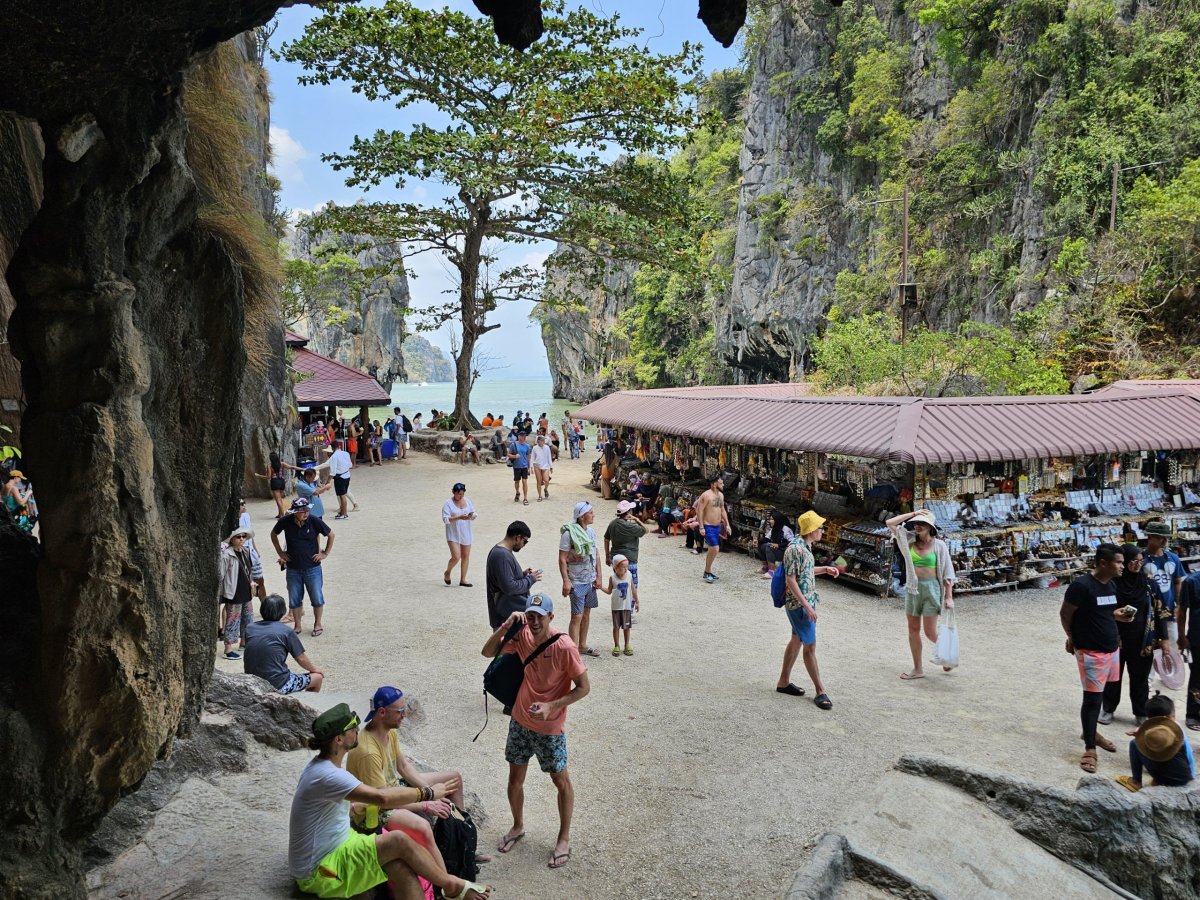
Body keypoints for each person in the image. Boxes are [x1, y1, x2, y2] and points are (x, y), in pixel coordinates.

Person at [288, 704, 491, 900]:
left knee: (400, 866)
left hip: (339, 845)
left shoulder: (321, 768)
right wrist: (428, 793)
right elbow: (382, 797)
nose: (357, 729)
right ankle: (452, 885)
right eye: (352, 727)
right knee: (398, 840)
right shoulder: (329, 775)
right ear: (339, 739)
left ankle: (449, 886)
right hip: (320, 869)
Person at [481, 595, 590, 870]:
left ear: (551, 617)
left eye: (541, 616)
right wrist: (506, 626)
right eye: (531, 615)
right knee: (514, 778)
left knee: (560, 780)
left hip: (550, 728)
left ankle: (563, 839)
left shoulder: (565, 647)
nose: (535, 621)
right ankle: (517, 826)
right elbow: (487, 652)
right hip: (520, 720)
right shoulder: (521, 636)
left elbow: (583, 687)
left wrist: (552, 705)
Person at [346, 686, 491, 885]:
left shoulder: (389, 731)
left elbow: (404, 767)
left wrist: (432, 793)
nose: (404, 715)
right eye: (399, 711)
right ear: (382, 713)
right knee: (422, 826)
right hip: (373, 809)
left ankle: (462, 846)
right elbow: (383, 800)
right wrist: (425, 804)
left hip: (393, 789)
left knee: (454, 780)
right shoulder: (368, 752)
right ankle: (449, 884)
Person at [1059, 543, 1136, 773]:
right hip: (1091, 652)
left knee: (1100, 694)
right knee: (1092, 699)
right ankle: (1090, 748)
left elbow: (1103, 612)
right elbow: (1065, 614)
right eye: (1119, 562)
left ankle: (1090, 729)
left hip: (1111, 649)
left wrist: (1118, 617)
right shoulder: (1081, 586)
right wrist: (1071, 637)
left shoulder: (1111, 585)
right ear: (1103, 563)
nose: (1123, 566)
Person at [775, 511, 840, 710]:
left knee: (796, 640)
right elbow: (791, 580)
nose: (822, 530)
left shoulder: (803, 547)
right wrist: (807, 606)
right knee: (809, 647)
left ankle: (783, 682)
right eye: (820, 527)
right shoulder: (796, 549)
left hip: (801, 603)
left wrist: (824, 569)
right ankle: (820, 691)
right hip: (800, 605)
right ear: (811, 530)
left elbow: (803, 571)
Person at [1100, 544, 1172, 726]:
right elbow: (1101, 610)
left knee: (1140, 678)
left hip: (1143, 640)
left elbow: (1160, 612)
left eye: (1141, 561)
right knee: (1113, 676)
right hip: (1115, 638)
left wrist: (1164, 639)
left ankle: (1140, 712)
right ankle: (1108, 709)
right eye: (1133, 561)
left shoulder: (1149, 584)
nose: (1137, 565)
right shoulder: (1112, 584)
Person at [886, 509, 956, 680]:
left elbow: (948, 573)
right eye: (916, 523)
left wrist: (949, 596)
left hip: (932, 589)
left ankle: (946, 655)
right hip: (912, 589)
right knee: (913, 629)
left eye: (922, 523)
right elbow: (890, 523)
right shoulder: (907, 540)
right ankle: (918, 669)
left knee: (930, 632)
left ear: (930, 527)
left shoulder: (939, 546)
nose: (917, 526)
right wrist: (913, 513)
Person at [271, 498, 335, 637]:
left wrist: (325, 553)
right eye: (302, 511)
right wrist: (280, 553)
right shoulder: (286, 521)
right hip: (293, 568)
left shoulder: (314, 520)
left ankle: (317, 624)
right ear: (295, 512)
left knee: (317, 597)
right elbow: (273, 534)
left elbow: (331, 534)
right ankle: (297, 625)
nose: (306, 513)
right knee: (294, 598)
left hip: (312, 567)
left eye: (307, 510)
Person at [244, 593, 324, 693]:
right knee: (318, 677)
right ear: (282, 612)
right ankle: (306, 704)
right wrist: (315, 669)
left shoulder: (250, 628)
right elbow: (301, 658)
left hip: (252, 682)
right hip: (278, 684)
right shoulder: (286, 631)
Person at [1114, 695, 1195, 792]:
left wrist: (1140, 735)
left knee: (1134, 743)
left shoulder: (1151, 731)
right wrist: (1191, 776)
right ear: (1169, 717)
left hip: (1160, 777)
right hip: (1183, 778)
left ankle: (1136, 781)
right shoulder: (1178, 732)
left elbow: (1148, 727)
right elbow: (1189, 755)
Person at [560, 501, 602, 658]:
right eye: (591, 512)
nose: (593, 515)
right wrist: (566, 580)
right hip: (576, 580)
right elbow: (562, 558)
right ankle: (572, 650)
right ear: (582, 516)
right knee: (576, 615)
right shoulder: (568, 534)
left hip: (589, 580)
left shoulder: (591, 532)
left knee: (586, 613)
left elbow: (595, 554)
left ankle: (582, 645)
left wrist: (599, 576)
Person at [485, 521, 542, 628]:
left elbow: (505, 578)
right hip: (505, 619)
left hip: (507, 616)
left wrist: (522, 575)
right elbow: (509, 588)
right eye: (525, 541)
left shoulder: (502, 552)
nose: (524, 545)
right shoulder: (502, 555)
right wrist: (530, 579)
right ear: (517, 538)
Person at [219, 526, 264, 660]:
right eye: (238, 537)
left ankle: (244, 642)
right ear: (231, 540)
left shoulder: (246, 551)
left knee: (248, 618)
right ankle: (228, 649)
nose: (242, 539)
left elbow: (250, 568)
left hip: (246, 590)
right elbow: (220, 574)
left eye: (243, 536)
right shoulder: (226, 554)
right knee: (233, 620)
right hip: (233, 592)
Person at [693, 474, 731, 584]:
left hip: (717, 526)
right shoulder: (706, 495)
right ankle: (707, 571)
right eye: (721, 483)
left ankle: (707, 571)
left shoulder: (720, 495)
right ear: (714, 484)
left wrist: (727, 524)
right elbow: (699, 511)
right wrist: (701, 526)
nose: (723, 484)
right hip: (707, 526)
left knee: (713, 549)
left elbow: (722, 510)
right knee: (714, 548)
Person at [1143, 519, 1185, 616]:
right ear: (1150, 537)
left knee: (1171, 631)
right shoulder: (1141, 559)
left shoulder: (1173, 558)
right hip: (1148, 610)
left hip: (1169, 608)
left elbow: (1177, 582)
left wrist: (1178, 605)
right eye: (1161, 537)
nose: (1165, 540)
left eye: (1167, 537)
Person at [600, 554, 639, 656]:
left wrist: (637, 601)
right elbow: (609, 591)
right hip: (616, 607)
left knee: (627, 627)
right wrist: (600, 587)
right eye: (623, 568)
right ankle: (616, 645)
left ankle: (627, 645)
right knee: (616, 627)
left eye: (626, 567)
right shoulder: (612, 578)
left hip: (626, 607)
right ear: (615, 568)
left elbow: (633, 589)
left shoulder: (629, 575)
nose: (625, 570)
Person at [1176, 568, 1200, 730]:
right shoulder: (1191, 581)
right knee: (1197, 676)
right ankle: (1192, 714)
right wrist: (1182, 636)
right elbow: (1182, 611)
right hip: (1197, 637)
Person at [604, 500, 646, 592]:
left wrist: (607, 556)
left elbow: (606, 539)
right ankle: (630, 605)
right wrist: (636, 519)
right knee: (632, 588)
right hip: (630, 559)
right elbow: (646, 530)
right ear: (628, 512)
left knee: (619, 584)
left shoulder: (612, 524)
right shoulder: (631, 526)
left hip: (616, 559)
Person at [442, 482, 477, 587]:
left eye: (462, 494)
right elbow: (445, 519)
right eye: (458, 494)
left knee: (466, 556)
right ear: (453, 492)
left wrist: (471, 516)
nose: (460, 496)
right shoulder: (448, 503)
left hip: (466, 532)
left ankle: (463, 579)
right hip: (453, 533)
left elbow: (474, 512)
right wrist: (459, 517)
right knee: (456, 556)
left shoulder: (468, 501)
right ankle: (448, 572)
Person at [758, 512, 794, 578]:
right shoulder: (774, 529)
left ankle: (771, 571)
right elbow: (766, 539)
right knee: (762, 545)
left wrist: (779, 545)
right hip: (776, 550)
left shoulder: (785, 529)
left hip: (784, 552)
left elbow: (792, 542)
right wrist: (757, 541)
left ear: (777, 520)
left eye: (772, 519)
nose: (770, 521)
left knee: (769, 547)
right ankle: (765, 567)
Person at [254, 451, 289, 518]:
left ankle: (283, 516)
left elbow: (268, 477)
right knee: (280, 499)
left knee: (278, 500)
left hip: (275, 482)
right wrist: (302, 469)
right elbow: (292, 467)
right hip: (282, 482)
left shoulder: (270, 466)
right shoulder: (281, 464)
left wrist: (258, 475)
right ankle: (280, 514)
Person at [328, 440, 354, 520]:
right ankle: (342, 512)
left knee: (342, 496)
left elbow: (332, 472)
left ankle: (344, 514)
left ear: (332, 448)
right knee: (343, 494)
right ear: (339, 446)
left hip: (339, 478)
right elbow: (350, 465)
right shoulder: (346, 453)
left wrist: (328, 481)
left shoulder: (333, 457)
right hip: (347, 475)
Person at [508, 432, 532, 505]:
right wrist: (515, 456)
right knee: (517, 481)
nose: (524, 437)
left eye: (525, 436)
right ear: (519, 436)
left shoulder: (527, 446)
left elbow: (528, 457)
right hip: (516, 466)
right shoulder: (513, 445)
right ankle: (517, 492)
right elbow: (508, 454)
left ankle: (525, 498)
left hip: (524, 466)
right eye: (522, 436)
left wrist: (529, 467)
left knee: (524, 481)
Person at [530, 433, 553, 501]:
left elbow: (549, 457)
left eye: (544, 440)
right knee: (539, 481)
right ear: (538, 441)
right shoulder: (535, 448)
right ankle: (540, 496)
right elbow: (532, 458)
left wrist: (551, 466)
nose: (543, 441)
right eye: (542, 440)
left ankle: (545, 489)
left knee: (546, 480)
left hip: (545, 465)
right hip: (537, 465)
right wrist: (531, 467)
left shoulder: (547, 447)